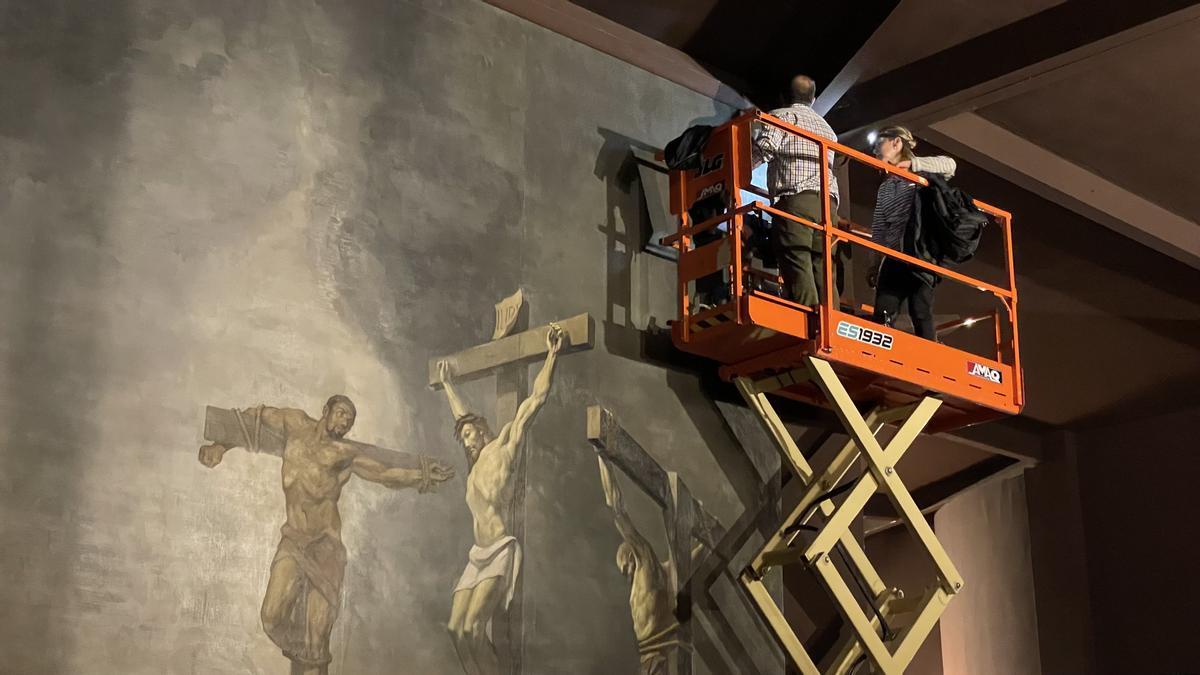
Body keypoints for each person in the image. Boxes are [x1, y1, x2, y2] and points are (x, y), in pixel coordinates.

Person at [197, 396, 455, 675]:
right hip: (293, 541)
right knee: (271, 617)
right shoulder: (293, 424)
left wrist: (423, 476)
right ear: (325, 411)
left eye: (350, 420)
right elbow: (252, 422)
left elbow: (385, 474)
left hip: (326, 548)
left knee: (316, 642)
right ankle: (306, 657)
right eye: (342, 413)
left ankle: (312, 661)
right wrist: (220, 446)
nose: (345, 422)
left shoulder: (345, 455)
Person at [436, 325, 565, 675]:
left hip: (499, 550)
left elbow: (535, 400)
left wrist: (552, 356)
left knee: (475, 630)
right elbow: (460, 415)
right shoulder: (475, 467)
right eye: (462, 438)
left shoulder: (506, 444)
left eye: (468, 434)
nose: (465, 441)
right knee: (456, 632)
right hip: (476, 555)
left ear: (483, 428)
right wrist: (449, 385)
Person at [752, 75, 839, 307]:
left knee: (796, 258)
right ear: (813, 98)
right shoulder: (828, 130)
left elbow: (764, 150)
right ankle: (832, 319)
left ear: (785, 95)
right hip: (828, 205)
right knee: (824, 267)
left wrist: (735, 167)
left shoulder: (782, 116)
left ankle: (809, 320)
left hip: (797, 200)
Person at [867, 126, 957, 340]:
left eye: (879, 144)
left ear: (896, 143)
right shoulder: (885, 188)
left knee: (920, 311)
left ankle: (932, 361)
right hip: (894, 256)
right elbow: (879, 229)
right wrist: (873, 263)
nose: (874, 151)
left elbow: (950, 165)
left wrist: (913, 165)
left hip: (920, 253)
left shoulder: (922, 175)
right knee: (883, 312)